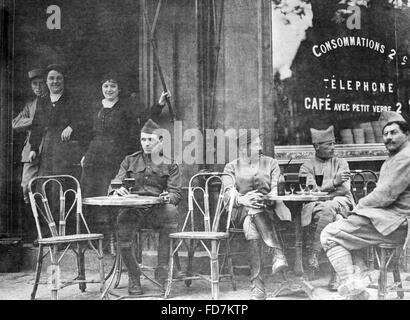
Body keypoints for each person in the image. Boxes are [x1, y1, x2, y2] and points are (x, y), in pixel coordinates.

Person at [321, 111, 410, 300]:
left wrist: (359, 206)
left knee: (329, 235)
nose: (388, 137)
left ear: (407, 134)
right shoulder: (396, 156)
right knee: (344, 229)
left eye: (393, 132)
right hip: (390, 220)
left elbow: (385, 195)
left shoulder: (405, 158)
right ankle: (358, 283)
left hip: (395, 223)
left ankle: (356, 293)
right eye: (385, 134)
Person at [80, 72, 170, 237]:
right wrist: (85, 153)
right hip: (94, 157)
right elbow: (87, 132)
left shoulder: (126, 107)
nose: (109, 89)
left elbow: (144, 119)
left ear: (119, 88)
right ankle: (94, 236)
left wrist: (159, 104)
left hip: (115, 156)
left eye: (113, 86)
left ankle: (113, 238)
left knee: (113, 193)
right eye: (106, 86)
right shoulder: (95, 107)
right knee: (91, 193)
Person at [110, 119, 182, 295]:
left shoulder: (170, 164)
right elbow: (114, 185)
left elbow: (176, 194)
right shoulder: (129, 161)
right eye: (143, 140)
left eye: (151, 140)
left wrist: (168, 197)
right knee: (122, 225)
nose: (147, 144)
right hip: (132, 210)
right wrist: (116, 191)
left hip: (156, 210)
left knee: (171, 212)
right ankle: (134, 275)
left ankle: (162, 273)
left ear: (161, 141)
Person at [222, 131, 292, 300]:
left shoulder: (271, 163)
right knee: (251, 212)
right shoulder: (231, 167)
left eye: (260, 143)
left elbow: (276, 187)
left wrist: (265, 197)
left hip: (269, 210)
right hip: (240, 211)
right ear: (243, 148)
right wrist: (243, 199)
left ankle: (257, 285)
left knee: (251, 227)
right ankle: (277, 253)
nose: (261, 146)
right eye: (256, 144)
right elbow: (227, 191)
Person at [299, 125, 354, 290]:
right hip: (318, 206)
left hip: (342, 202)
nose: (333, 147)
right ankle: (336, 276)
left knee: (330, 206)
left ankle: (314, 252)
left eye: (333, 143)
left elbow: (345, 189)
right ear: (317, 146)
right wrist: (334, 182)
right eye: (328, 144)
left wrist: (323, 189)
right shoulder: (306, 166)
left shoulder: (341, 162)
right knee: (335, 220)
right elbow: (311, 191)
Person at [28, 64, 88, 179]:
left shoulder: (73, 99)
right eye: (51, 78)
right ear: (46, 81)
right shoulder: (43, 101)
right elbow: (37, 126)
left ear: (64, 80)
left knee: (63, 182)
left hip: (67, 149)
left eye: (58, 78)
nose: (55, 81)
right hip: (48, 148)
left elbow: (84, 119)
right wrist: (34, 149)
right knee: (47, 182)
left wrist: (71, 127)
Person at [12, 68, 48, 204]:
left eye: (41, 83)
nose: (38, 87)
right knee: (26, 186)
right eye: (34, 84)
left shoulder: (54, 101)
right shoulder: (30, 105)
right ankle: (33, 217)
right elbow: (15, 123)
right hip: (31, 150)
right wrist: (35, 120)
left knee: (45, 186)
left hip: (49, 147)